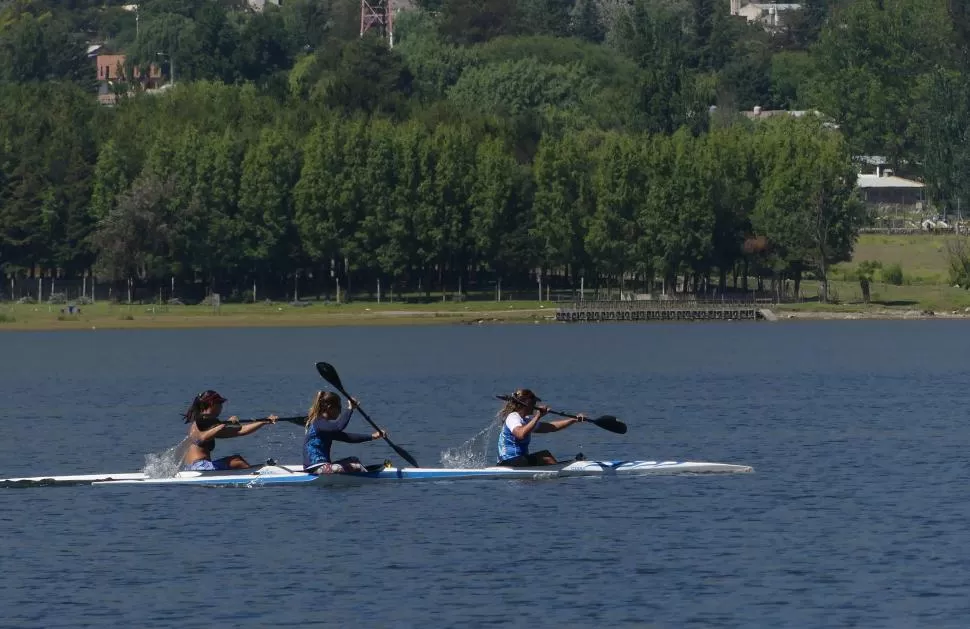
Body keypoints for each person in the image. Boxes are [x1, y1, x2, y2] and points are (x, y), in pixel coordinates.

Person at [181, 390, 278, 471]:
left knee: (237, 459)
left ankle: (256, 471)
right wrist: (226, 424)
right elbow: (201, 438)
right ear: (212, 404)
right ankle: (255, 474)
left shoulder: (205, 422)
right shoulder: (202, 420)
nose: (221, 408)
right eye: (220, 404)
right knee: (237, 461)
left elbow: (240, 431)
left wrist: (264, 421)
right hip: (198, 468)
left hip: (194, 468)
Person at [496, 388, 585, 467]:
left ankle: (556, 469)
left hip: (519, 461)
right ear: (525, 402)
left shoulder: (526, 420)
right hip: (507, 463)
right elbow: (520, 434)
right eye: (533, 402)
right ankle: (558, 474)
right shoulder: (513, 417)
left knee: (546, 458)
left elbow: (551, 427)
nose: (536, 405)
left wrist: (574, 420)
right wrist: (538, 416)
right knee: (546, 456)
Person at [303, 391, 386, 474]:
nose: (340, 412)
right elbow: (338, 427)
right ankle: (368, 476)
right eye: (339, 408)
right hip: (315, 468)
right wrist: (350, 409)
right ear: (329, 407)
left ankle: (363, 472)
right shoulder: (319, 423)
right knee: (357, 467)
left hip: (324, 466)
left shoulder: (325, 427)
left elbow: (347, 437)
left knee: (354, 460)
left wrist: (372, 436)